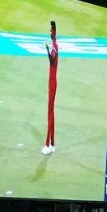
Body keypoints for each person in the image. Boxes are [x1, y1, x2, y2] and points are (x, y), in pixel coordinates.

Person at [42, 21, 59, 155]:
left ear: (54, 33)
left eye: (51, 31)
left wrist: (47, 49)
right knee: (51, 112)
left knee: (50, 113)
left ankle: (47, 145)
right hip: (52, 81)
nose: (49, 33)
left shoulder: (54, 46)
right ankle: (52, 144)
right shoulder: (55, 44)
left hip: (52, 82)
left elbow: (52, 61)